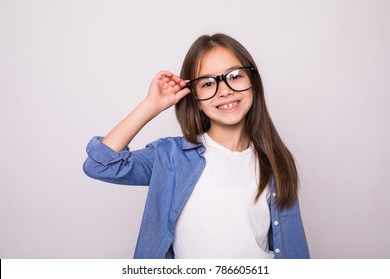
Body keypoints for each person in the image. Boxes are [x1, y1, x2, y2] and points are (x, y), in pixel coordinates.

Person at [83, 33, 310, 259]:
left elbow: (294, 250)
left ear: (252, 82)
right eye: (208, 83)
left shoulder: (274, 162)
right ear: (195, 99)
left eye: (235, 76)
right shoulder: (171, 157)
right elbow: (99, 164)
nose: (224, 90)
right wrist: (150, 106)